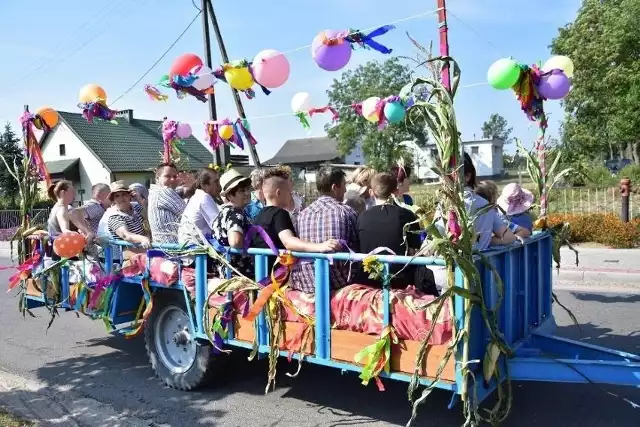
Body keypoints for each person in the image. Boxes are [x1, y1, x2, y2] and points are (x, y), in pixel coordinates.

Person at [357, 172, 438, 295]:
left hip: (368, 282)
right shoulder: (407, 215)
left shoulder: (361, 217)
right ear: (396, 191)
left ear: (371, 193)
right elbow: (414, 250)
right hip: (401, 283)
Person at [253, 168, 340, 272]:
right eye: (289, 192)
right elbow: (288, 241)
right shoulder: (280, 214)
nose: (291, 196)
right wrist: (320, 246)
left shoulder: (258, 215)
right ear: (278, 193)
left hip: (261, 273)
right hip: (277, 277)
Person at [290, 165, 358, 293]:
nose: (345, 189)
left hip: (305, 281)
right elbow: (358, 245)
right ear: (334, 187)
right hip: (337, 282)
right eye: (344, 185)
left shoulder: (302, 214)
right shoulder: (346, 212)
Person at [212, 169, 254, 278]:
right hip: (240, 274)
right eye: (241, 191)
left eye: (246, 189)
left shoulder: (221, 213)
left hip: (225, 272)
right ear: (230, 196)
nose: (247, 193)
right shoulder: (235, 213)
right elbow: (235, 241)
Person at [179, 168, 221, 246]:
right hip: (197, 253)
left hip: (192, 250)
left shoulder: (197, 196)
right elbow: (220, 227)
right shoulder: (204, 198)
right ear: (204, 185)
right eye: (216, 182)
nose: (219, 186)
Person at [104, 181, 150, 249]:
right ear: (113, 200)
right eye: (117, 196)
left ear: (130, 195)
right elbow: (125, 235)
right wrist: (143, 239)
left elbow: (149, 217)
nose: (121, 198)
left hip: (145, 250)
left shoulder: (136, 207)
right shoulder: (114, 216)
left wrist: (139, 200)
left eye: (124, 194)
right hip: (128, 256)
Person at [148, 163, 186, 245]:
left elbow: (181, 190)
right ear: (157, 179)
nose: (172, 179)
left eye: (175, 176)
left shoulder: (153, 193)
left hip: (163, 249)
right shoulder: (164, 192)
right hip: (174, 252)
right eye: (167, 176)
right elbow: (189, 215)